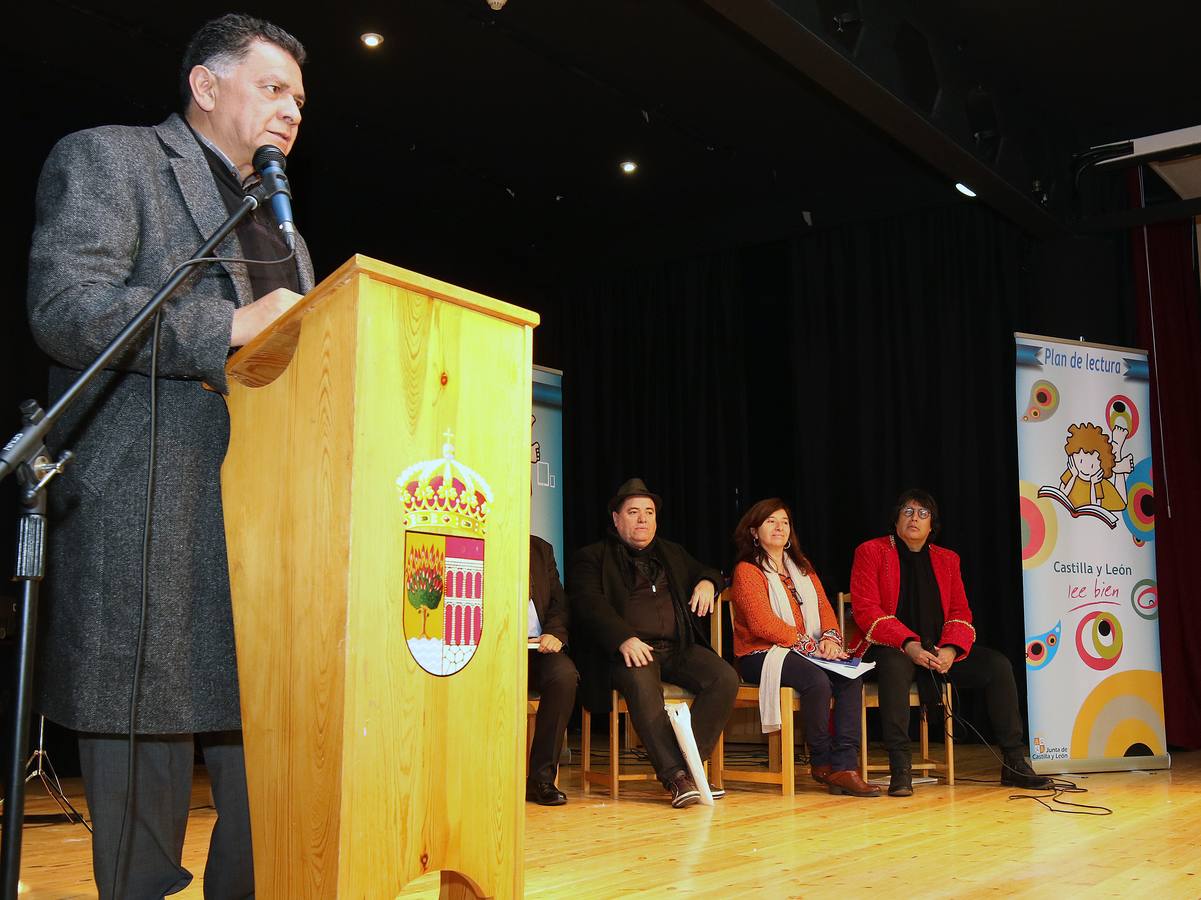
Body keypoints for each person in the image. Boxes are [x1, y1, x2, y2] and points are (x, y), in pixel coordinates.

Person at [26, 13, 312, 898]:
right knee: (142, 798)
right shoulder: (113, 160)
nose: (292, 112)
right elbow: (67, 306)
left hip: (265, 533)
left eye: (300, 101)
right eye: (273, 88)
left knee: (276, 784)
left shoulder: (287, 236)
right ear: (204, 84)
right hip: (146, 516)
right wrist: (223, 325)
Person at [849, 489, 1055, 796]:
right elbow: (867, 610)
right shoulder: (871, 551)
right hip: (891, 648)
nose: (914, 519)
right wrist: (909, 644)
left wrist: (950, 649)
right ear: (895, 521)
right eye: (907, 512)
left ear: (933, 524)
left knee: (997, 665)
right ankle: (900, 767)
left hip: (937, 650)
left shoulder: (947, 560)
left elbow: (961, 612)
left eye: (922, 513)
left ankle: (1014, 762)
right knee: (894, 666)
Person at [568, 478, 738, 808]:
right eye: (633, 512)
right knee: (643, 679)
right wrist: (623, 637)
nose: (643, 519)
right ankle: (676, 776)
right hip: (626, 651)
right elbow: (588, 603)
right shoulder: (591, 557)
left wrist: (706, 582)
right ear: (616, 519)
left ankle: (689, 770)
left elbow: (710, 570)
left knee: (724, 677)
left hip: (677, 648)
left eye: (649, 512)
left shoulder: (671, 552)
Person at [729, 499, 879, 797]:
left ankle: (845, 766)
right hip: (761, 654)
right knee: (817, 681)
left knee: (851, 677)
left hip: (806, 653)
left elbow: (824, 609)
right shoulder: (747, 570)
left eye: (784, 522)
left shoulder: (803, 567)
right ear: (754, 531)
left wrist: (830, 640)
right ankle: (822, 762)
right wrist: (809, 645)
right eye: (771, 521)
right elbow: (762, 624)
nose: (779, 527)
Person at [526, 535, 579, 805]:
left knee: (564, 676)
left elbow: (559, 602)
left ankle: (541, 779)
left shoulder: (540, 548)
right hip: (491, 648)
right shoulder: (476, 543)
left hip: (536, 649)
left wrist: (554, 632)